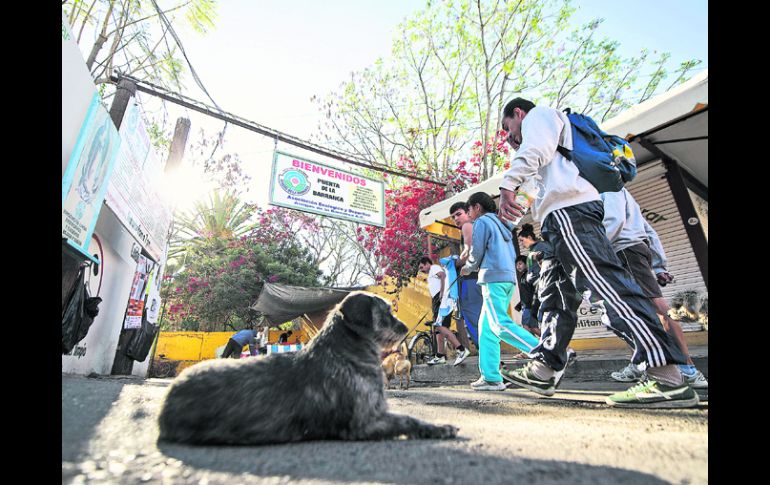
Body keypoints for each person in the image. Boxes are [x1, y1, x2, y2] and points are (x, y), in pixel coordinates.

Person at [497, 97, 697, 408]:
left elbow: (535, 150)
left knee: (607, 287)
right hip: (556, 220)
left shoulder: (540, 116)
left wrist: (508, 184)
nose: (510, 135)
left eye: (508, 127)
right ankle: (544, 369)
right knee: (555, 295)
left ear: (518, 113)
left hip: (569, 212)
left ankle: (667, 377)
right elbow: (538, 176)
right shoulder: (551, 142)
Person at [601, 188, 708, 388]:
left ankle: (687, 369)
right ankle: (641, 363)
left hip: (623, 250)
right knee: (633, 312)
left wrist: (594, 252)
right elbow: (649, 230)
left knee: (658, 308)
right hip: (632, 250)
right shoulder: (621, 192)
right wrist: (659, 265)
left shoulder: (608, 186)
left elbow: (613, 221)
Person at [459, 192, 540, 391]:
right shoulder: (504, 225)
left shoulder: (482, 222)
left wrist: (468, 268)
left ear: (477, 207)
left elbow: (476, 252)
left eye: (469, 210)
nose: (469, 215)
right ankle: (491, 377)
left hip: (493, 278)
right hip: (507, 279)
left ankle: (544, 351)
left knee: (498, 324)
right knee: (487, 330)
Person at [417, 257, 471, 366]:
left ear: (427, 263)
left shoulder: (434, 268)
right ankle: (440, 356)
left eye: (422, 267)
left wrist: (442, 293)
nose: (421, 270)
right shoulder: (431, 272)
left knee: (440, 326)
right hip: (438, 300)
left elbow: (443, 275)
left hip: (441, 299)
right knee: (439, 329)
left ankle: (461, 349)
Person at [450, 201, 483, 348]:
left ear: (468, 213)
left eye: (458, 214)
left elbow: (469, 253)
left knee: (472, 317)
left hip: (471, 280)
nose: (456, 218)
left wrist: (455, 263)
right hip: (480, 278)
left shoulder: (467, 226)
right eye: (453, 217)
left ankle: (486, 351)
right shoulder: (478, 226)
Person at [514, 255, 539, 338]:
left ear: (526, 264)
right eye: (516, 265)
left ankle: (551, 341)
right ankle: (537, 344)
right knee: (531, 328)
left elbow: (533, 291)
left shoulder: (529, 275)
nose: (518, 266)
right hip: (527, 306)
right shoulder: (523, 277)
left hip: (530, 307)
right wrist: (520, 305)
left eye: (520, 264)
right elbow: (526, 293)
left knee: (528, 327)